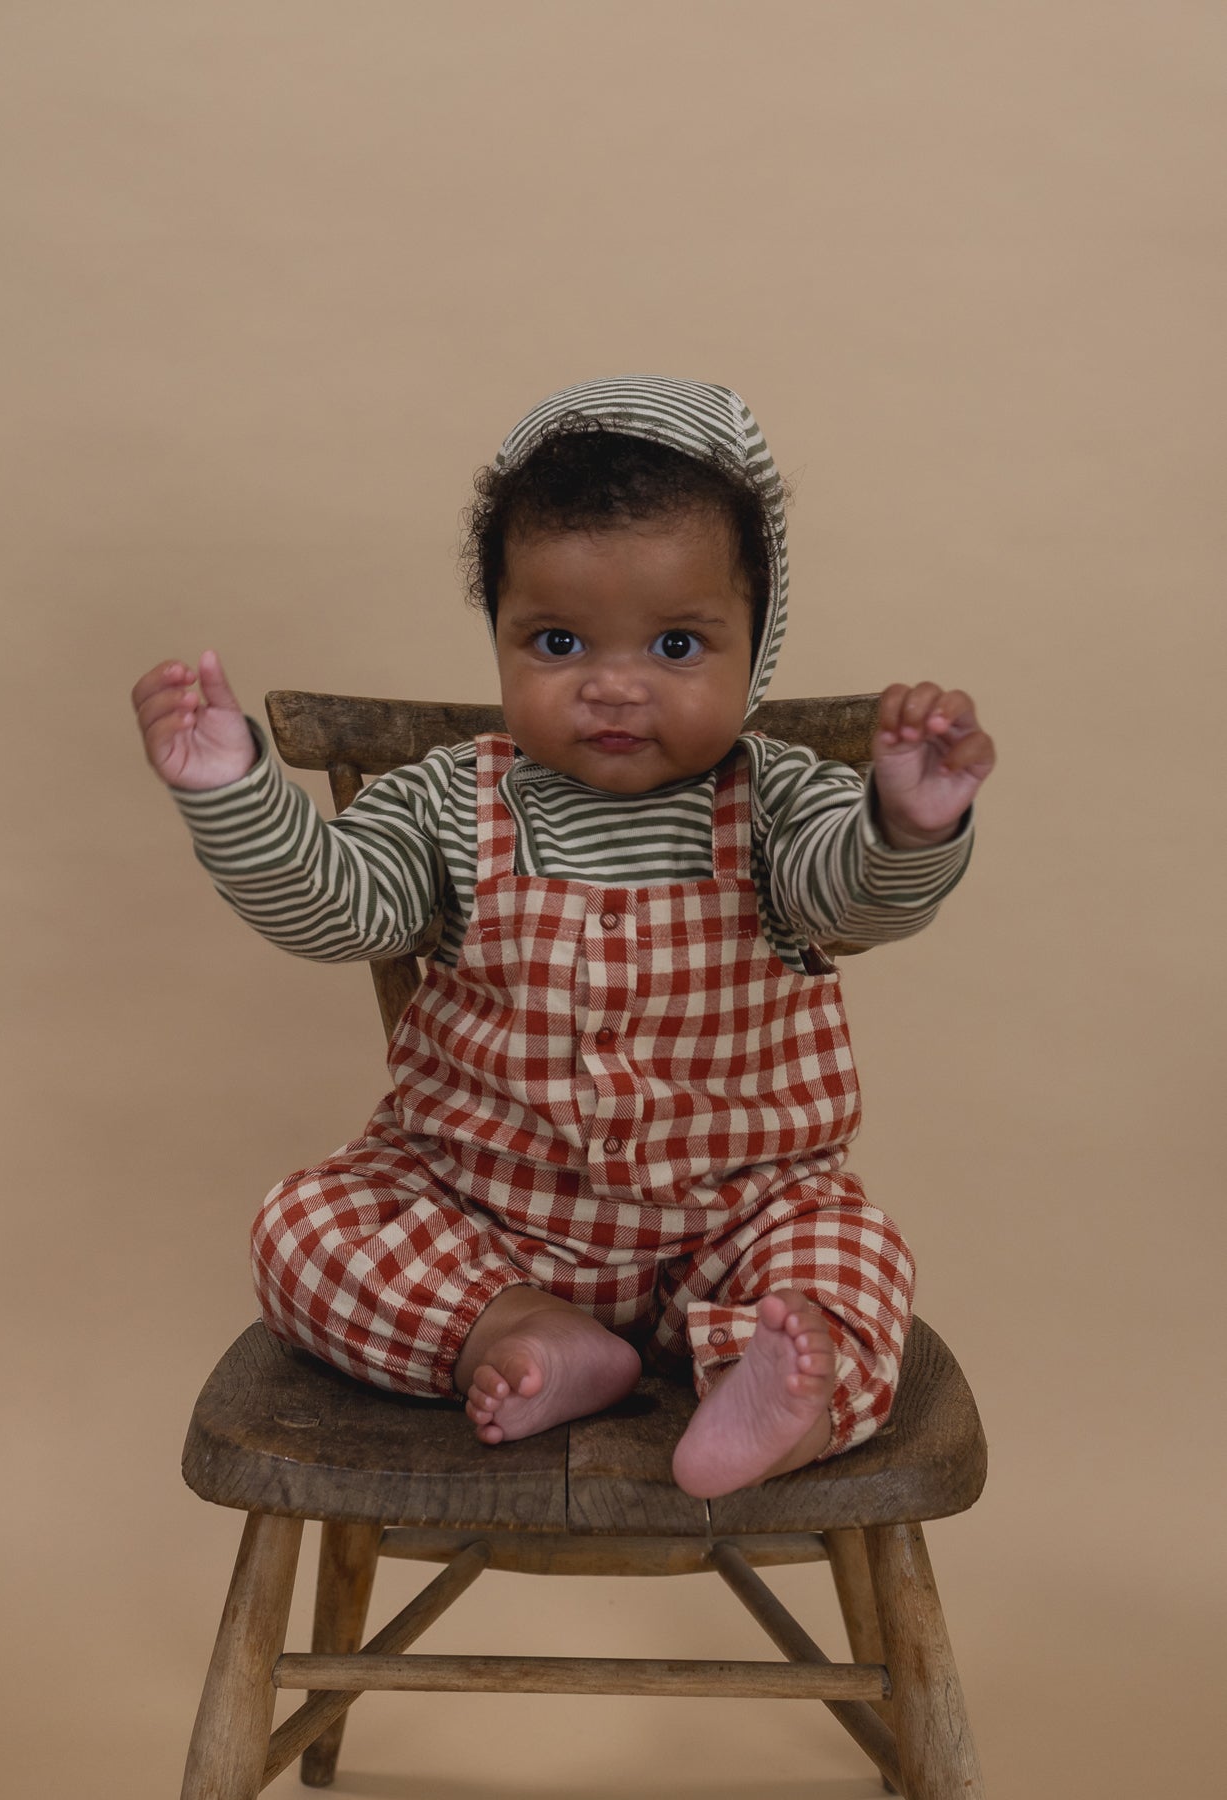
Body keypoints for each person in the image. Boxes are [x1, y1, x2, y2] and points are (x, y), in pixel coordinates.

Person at [131, 375, 995, 1499]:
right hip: (479, 1213)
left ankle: (784, 1388)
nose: (615, 687)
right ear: (496, 636)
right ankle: (520, 1333)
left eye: (679, 645)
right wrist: (233, 792)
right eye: (557, 640)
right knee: (302, 1229)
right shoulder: (452, 801)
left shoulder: (777, 803)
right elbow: (333, 909)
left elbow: (859, 903)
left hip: (733, 1222)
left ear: (756, 646)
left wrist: (906, 823)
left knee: (850, 1257)